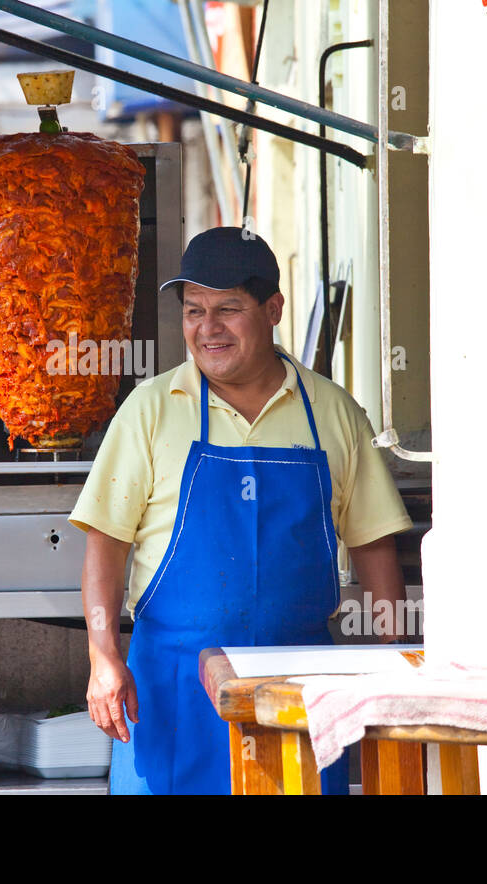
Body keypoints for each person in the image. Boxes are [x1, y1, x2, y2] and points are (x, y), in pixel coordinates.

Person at [70, 226, 413, 795]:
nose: (208, 329)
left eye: (228, 308)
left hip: (300, 693)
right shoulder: (149, 411)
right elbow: (105, 543)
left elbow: (375, 548)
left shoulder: (334, 413)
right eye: (194, 310)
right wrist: (103, 656)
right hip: (173, 688)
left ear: (274, 308)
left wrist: (390, 663)